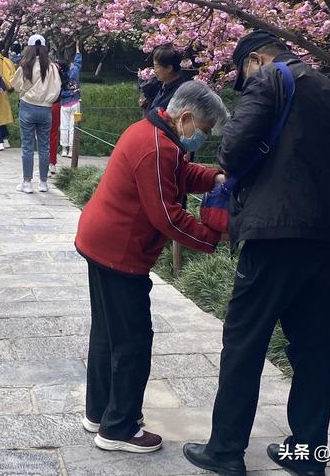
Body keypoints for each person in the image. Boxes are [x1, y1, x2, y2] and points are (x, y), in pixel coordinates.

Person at [183, 31, 330, 476]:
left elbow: (232, 150)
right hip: (328, 236)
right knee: (315, 349)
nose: (245, 80)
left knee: (244, 341)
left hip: (273, 234)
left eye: (243, 72)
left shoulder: (268, 81)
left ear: (256, 60)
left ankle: (225, 451)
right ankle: (307, 455)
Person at [75, 81, 229, 454]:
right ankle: (119, 429)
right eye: (205, 131)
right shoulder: (157, 147)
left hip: (103, 242)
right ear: (187, 118)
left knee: (108, 335)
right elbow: (167, 216)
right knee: (132, 342)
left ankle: (101, 413)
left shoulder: (156, 133)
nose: (203, 139)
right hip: (120, 251)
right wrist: (211, 238)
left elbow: (179, 176)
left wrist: (217, 177)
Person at [10, 35, 61, 194]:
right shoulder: (51, 67)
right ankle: (43, 183)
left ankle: (26, 182)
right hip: (45, 109)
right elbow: (57, 88)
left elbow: (15, 85)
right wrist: (48, 99)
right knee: (44, 146)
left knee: (27, 146)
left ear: (29, 48)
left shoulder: (25, 65)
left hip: (27, 107)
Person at [59, 40, 83, 160]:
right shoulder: (74, 72)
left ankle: (64, 149)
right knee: (74, 126)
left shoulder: (60, 77)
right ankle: (72, 150)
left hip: (64, 104)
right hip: (75, 102)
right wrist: (78, 47)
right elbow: (78, 62)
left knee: (64, 126)